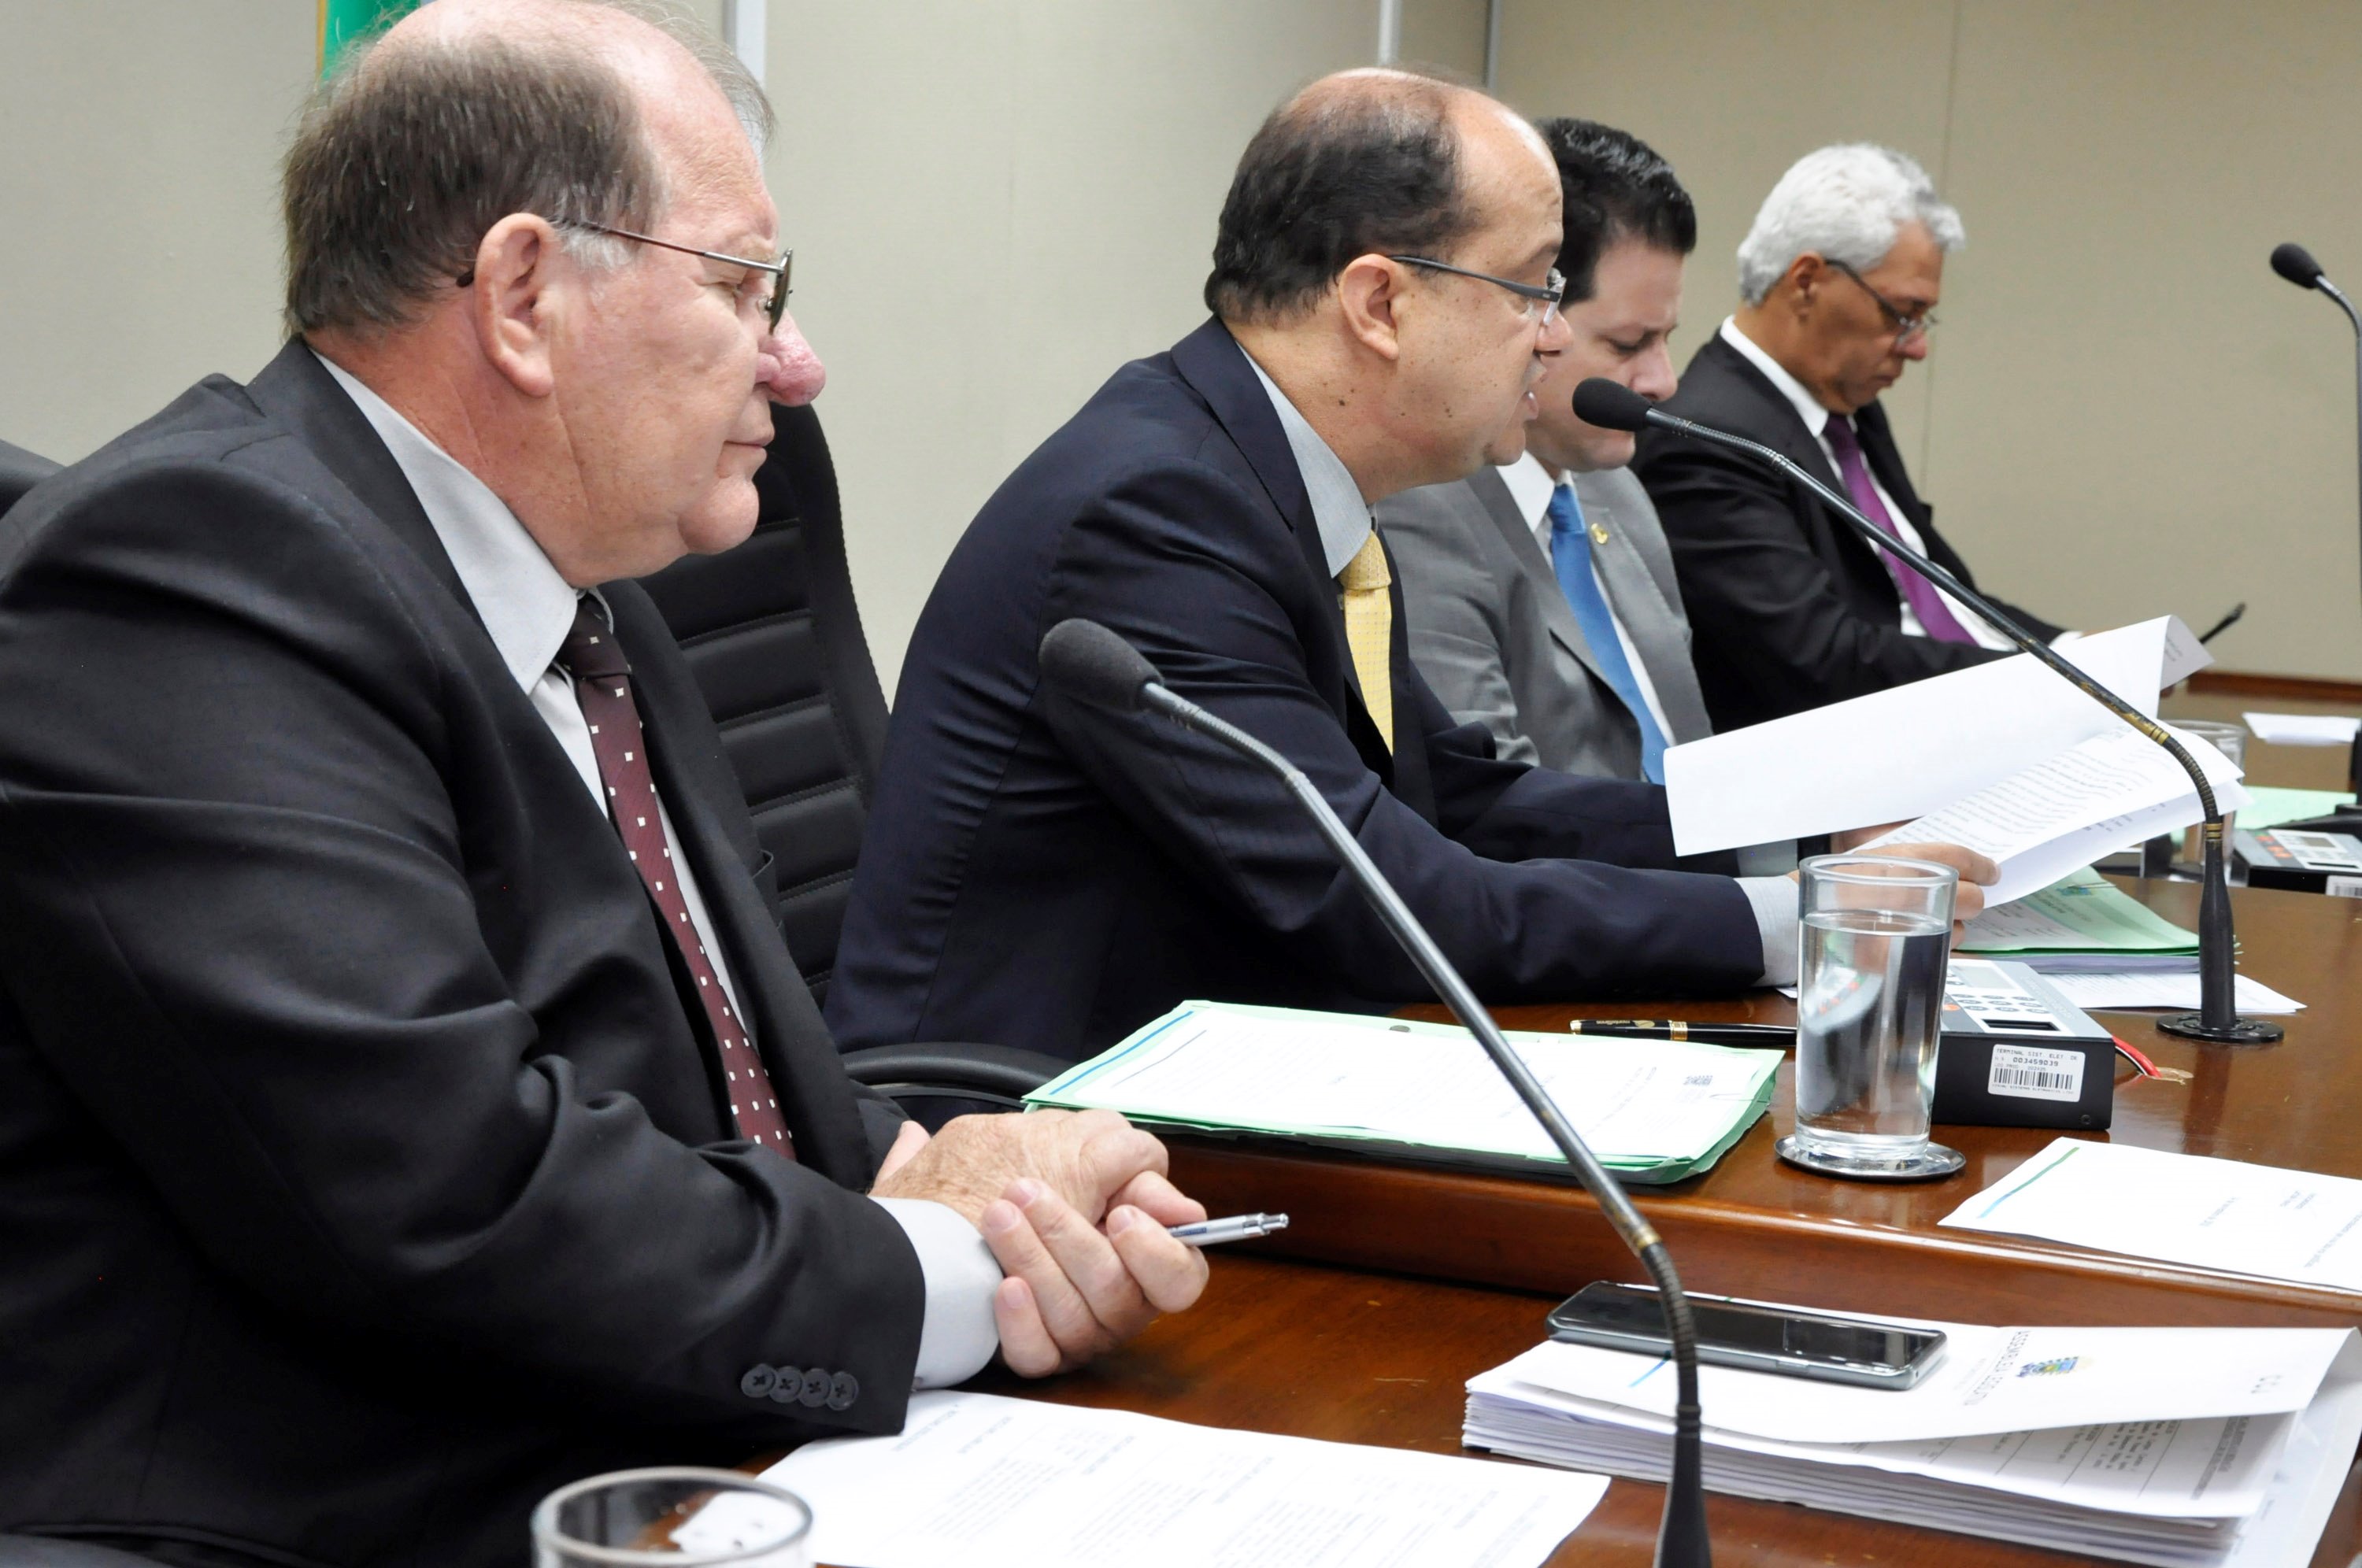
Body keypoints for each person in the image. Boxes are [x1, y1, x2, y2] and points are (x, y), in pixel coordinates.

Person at [0, 6, 1205, 1564]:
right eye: (745, 286)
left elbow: (698, 1071)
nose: (799, 360)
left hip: (661, 1435)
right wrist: (956, 1269)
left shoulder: (590, 597)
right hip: (352, 1510)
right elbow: (448, 1192)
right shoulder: (189, 574)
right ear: (521, 295)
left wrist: (951, 1173)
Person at [826, 72, 1990, 1066]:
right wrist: (1805, 921)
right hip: (1025, 1125)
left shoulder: (1279, 469)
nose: (1553, 333)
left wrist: (1809, 847)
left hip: (1213, 1063)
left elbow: (1462, 799)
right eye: (1534, 287)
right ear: (1380, 301)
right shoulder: (1157, 513)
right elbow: (1388, 899)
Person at [1634, 143, 2064, 732]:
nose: (1917, 347)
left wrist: (2073, 651)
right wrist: (2049, 682)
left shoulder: (1846, 403)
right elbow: (1821, 661)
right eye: (1902, 314)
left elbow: (1941, 593)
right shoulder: (1706, 440)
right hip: (1853, 750)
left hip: (1950, 712)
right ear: (1807, 282)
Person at [1378, 117, 1710, 785]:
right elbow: (1490, 802)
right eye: (1628, 344)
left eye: (1667, 338)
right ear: (1533, 311)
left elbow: (1691, 745)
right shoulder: (1419, 512)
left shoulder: (1616, 490)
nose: (1663, 381)